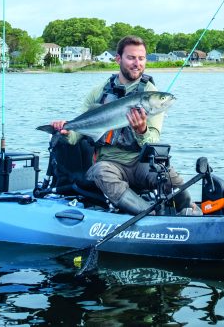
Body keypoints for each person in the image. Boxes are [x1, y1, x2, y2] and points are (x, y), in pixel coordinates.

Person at [51, 35, 199, 215]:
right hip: (109, 163)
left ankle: (190, 210)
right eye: (131, 58)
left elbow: (153, 140)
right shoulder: (98, 93)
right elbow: (77, 134)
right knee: (101, 172)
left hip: (141, 163)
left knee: (168, 176)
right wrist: (65, 131)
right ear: (118, 59)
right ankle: (149, 215)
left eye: (141, 58)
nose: (137, 63)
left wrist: (141, 130)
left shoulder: (150, 93)